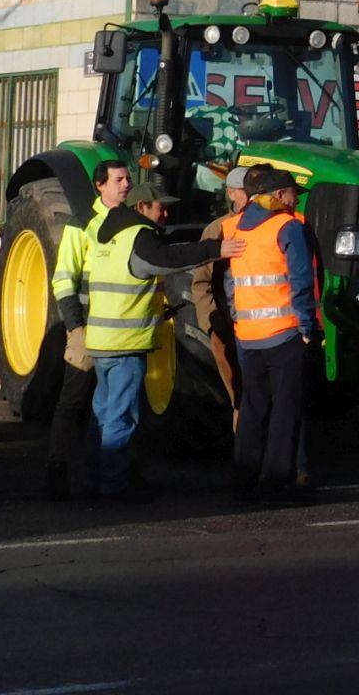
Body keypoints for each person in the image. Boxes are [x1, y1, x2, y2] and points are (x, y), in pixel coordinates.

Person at [82, 179, 240, 502]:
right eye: (160, 207)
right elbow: (167, 258)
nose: (165, 214)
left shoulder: (107, 236)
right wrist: (215, 249)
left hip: (101, 340)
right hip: (125, 343)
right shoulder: (138, 237)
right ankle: (113, 487)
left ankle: (91, 479)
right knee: (121, 417)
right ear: (141, 207)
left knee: (103, 414)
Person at [228, 164, 322, 504]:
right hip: (283, 334)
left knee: (252, 408)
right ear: (280, 195)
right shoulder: (287, 227)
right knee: (285, 411)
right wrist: (307, 329)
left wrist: (238, 320)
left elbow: (231, 282)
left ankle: (244, 481)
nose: (296, 200)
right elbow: (301, 281)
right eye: (293, 194)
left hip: (248, 334)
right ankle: (275, 485)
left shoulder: (237, 226)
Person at [45, 158, 130, 500]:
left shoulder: (128, 222)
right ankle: (58, 469)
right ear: (100, 185)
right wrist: (75, 327)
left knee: (116, 403)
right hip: (88, 326)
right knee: (74, 398)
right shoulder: (81, 224)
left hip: (119, 328)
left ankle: (109, 470)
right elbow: (64, 278)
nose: (126, 185)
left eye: (127, 179)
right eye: (119, 180)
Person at [191, 165, 250, 421]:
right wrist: (211, 325)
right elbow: (201, 283)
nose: (250, 196)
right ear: (231, 193)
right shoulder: (217, 230)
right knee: (241, 399)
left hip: (264, 331)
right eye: (244, 191)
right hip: (227, 326)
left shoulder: (272, 227)